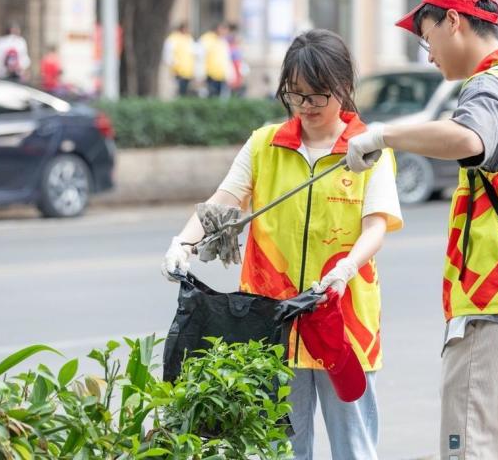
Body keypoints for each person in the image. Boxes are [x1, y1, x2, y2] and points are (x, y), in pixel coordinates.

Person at [346, 0, 498, 459]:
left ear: (453, 21)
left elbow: (469, 138)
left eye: (426, 38)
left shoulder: (489, 87)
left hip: (497, 309)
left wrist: (383, 135)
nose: (427, 54)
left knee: (476, 449)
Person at [162, 29, 403, 460]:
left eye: (317, 96)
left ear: (344, 88)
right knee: (280, 449)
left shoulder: (368, 150)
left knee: (355, 446)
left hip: (342, 321)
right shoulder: (265, 144)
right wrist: (183, 242)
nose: (306, 107)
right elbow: (222, 201)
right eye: (296, 95)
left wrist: (345, 270)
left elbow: (376, 227)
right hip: (271, 322)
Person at [163, 22, 199, 97]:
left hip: (188, 72)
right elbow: (169, 55)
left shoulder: (189, 38)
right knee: (178, 92)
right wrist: (174, 65)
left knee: (185, 92)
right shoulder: (173, 38)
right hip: (177, 71)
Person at [199, 22, 232, 98]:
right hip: (210, 74)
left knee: (220, 96)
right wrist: (201, 73)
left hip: (221, 74)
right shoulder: (206, 39)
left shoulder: (223, 41)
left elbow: (226, 59)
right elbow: (200, 57)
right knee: (211, 95)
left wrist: (229, 74)